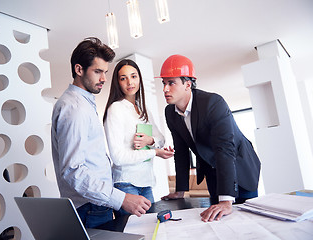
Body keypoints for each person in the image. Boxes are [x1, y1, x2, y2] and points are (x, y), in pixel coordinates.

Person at [51, 38, 151, 228]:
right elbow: (73, 170)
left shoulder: (82, 103)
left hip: (95, 204)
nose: (104, 78)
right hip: (90, 207)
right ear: (79, 70)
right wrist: (120, 199)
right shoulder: (75, 108)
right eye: (97, 72)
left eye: (105, 72)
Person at [159, 54, 261, 222]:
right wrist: (180, 189)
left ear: (187, 84)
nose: (165, 89)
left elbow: (225, 149)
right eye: (163, 83)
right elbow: (181, 151)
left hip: (240, 166)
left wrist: (226, 201)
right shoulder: (170, 113)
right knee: (218, 220)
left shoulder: (213, 103)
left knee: (248, 222)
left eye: (171, 83)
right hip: (212, 171)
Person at [103, 59, 174, 216]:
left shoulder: (142, 109)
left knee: (152, 232)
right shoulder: (116, 109)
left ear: (139, 78)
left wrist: (150, 141)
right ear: (117, 83)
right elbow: (118, 158)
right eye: (123, 78)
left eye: (133, 76)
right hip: (126, 184)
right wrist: (154, 152)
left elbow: (161, 139)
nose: (130, 82)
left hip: (146, 183)